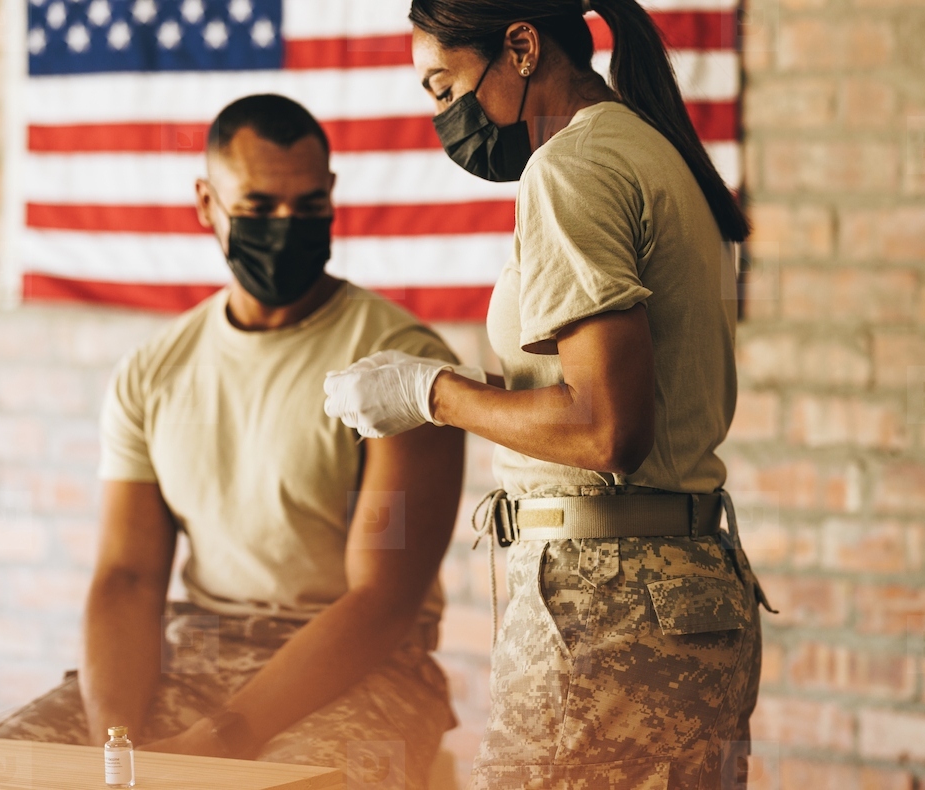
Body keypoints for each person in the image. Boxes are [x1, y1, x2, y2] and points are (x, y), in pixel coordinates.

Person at [323, 1, 777, 787]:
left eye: (444, 87)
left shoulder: (572, 168)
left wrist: (432, 393)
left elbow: (607, 429)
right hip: (689, 594)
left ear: (522, 46)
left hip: (607, 606)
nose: (444, 117)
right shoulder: (648, 146)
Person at [0, 94, 468, 789]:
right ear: (207, 203)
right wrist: (116, 750)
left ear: (332, 197)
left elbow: (381, 603)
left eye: (306, 207)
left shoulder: (399, 367)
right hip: (194, 655)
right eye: (258, 206)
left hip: (365, 673)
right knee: (5, 771)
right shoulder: (154, 373)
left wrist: (222, 737)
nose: (284, 225)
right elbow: (127, 577)